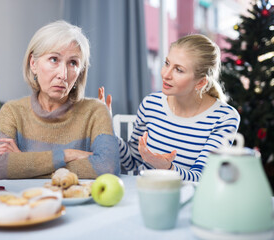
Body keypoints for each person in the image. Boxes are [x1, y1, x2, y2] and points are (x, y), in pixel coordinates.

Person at [0, 20, 120, 180]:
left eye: (73, 63)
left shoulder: (96, 111)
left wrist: (24, 165)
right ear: (33, 64)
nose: (63, 74)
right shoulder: (12, 112)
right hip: (28, 202)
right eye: (54, 59)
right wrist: (68, 155)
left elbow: (108, 167)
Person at [99, 34, 240, 181]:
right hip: (146, 195)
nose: (165, 75)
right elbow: (131, 162)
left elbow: (202, 179)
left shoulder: (224, 117)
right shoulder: (150, 104)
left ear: (200, 82)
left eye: (179, 70)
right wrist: (108, 127)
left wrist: (166, 167)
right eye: (167, 63)